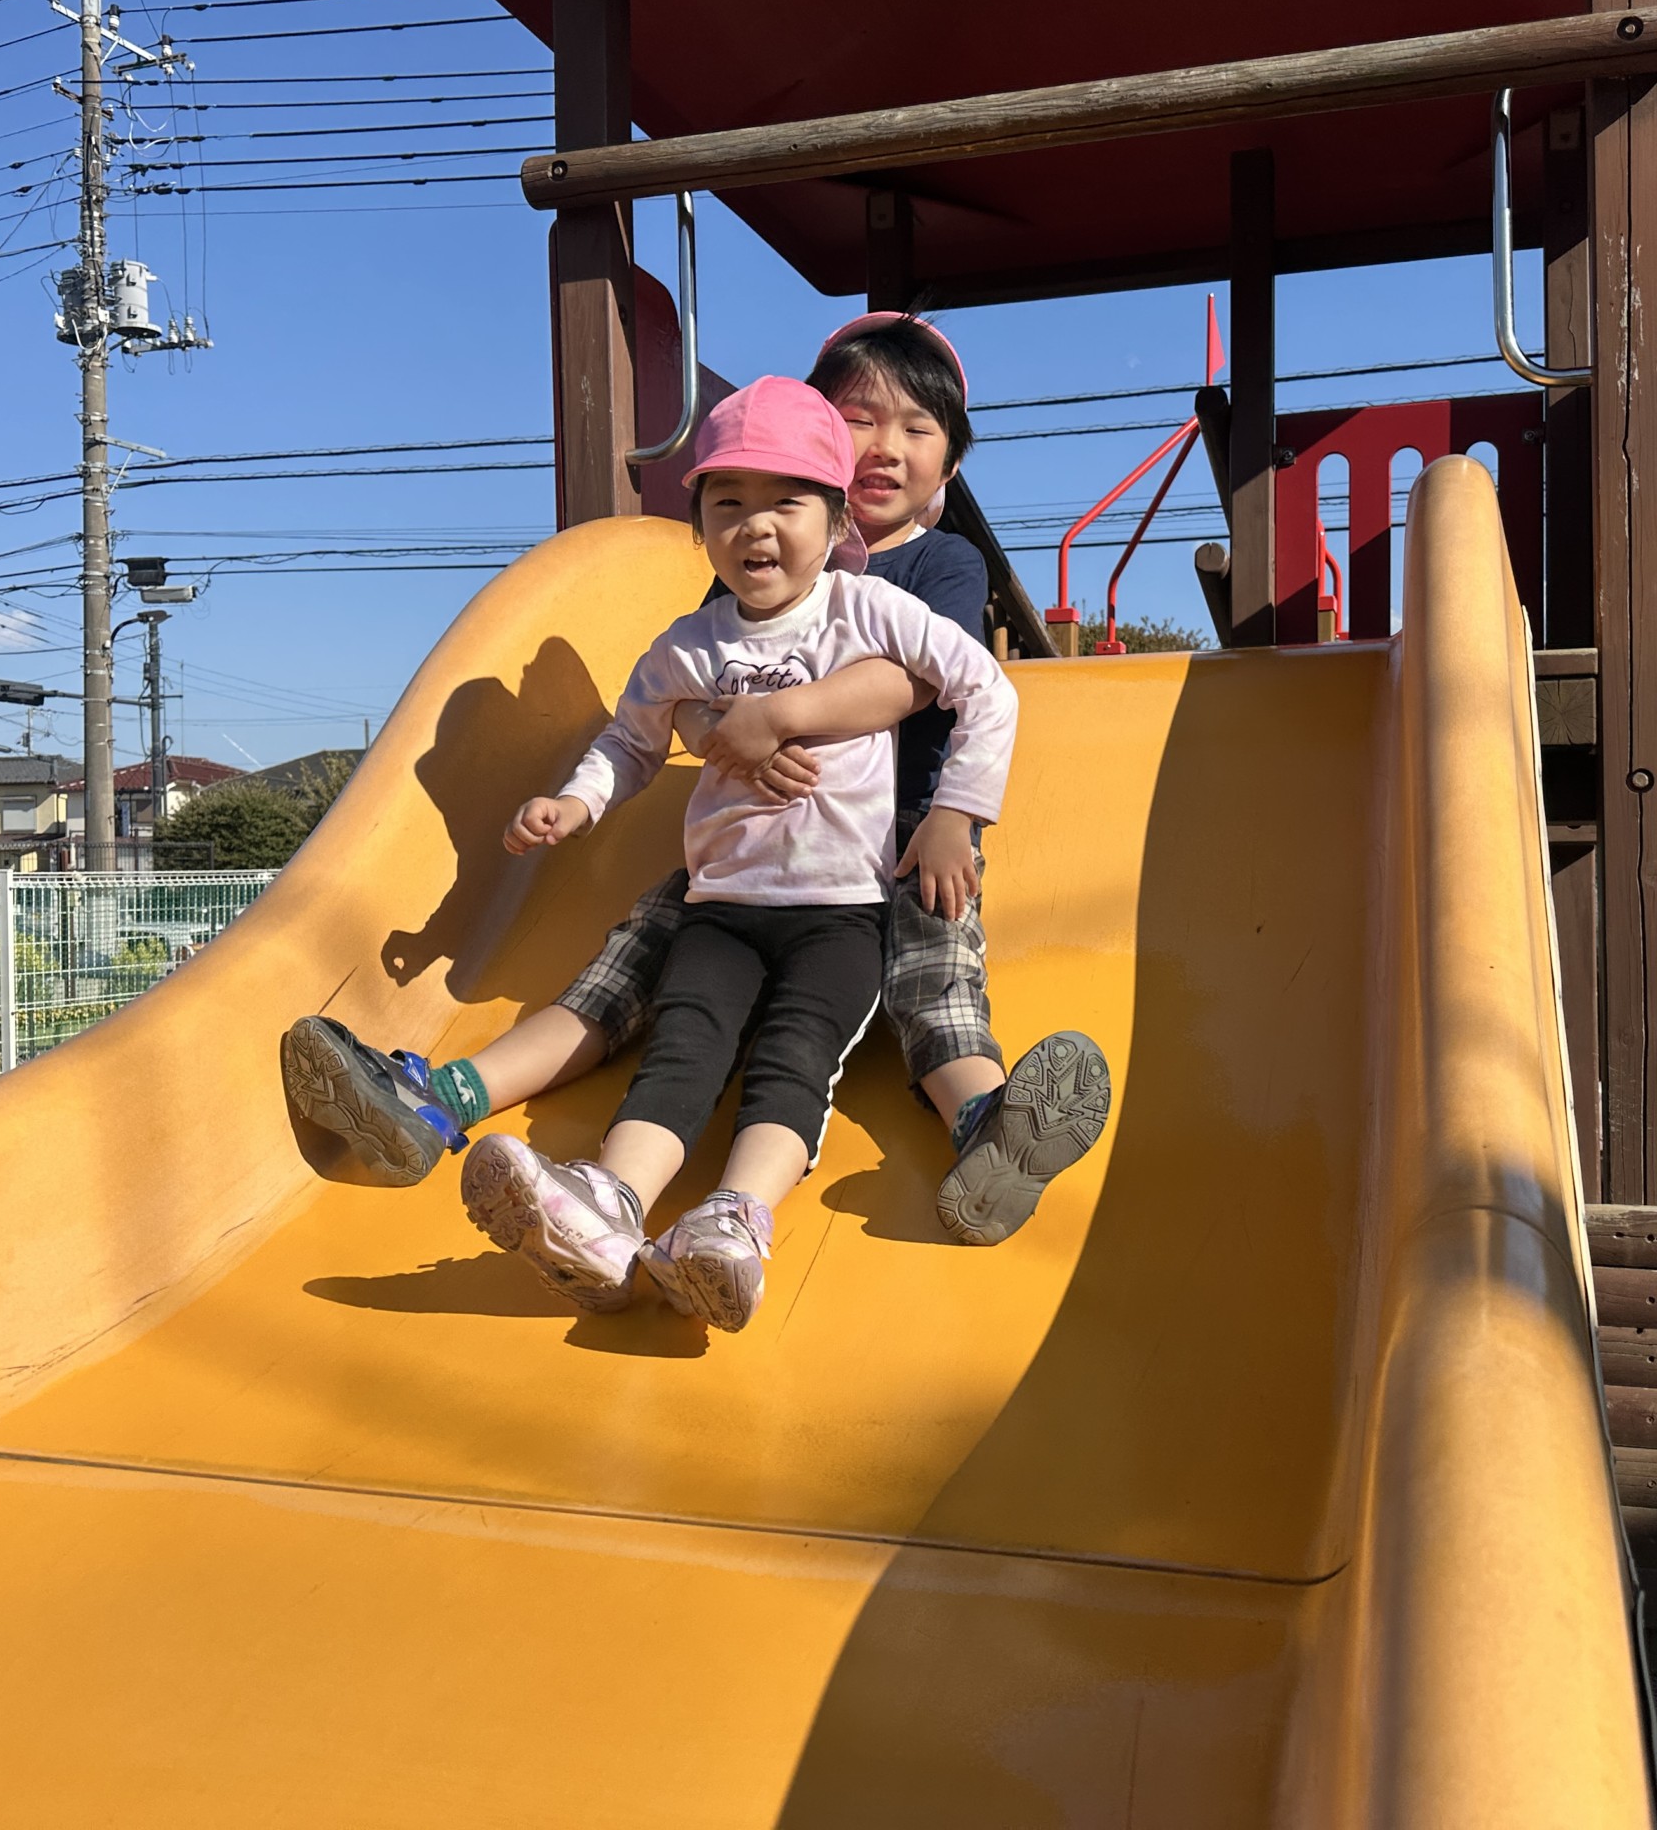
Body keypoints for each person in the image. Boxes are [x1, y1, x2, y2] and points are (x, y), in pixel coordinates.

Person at [282, 315, 1109, 1250]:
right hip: (742, 855)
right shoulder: (747, 568)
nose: (885, 446)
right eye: (858, 420)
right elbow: (687, 693)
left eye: (917, 428)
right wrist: (711, 733)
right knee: (632, 964)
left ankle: (990, 1126)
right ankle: (443, 1097)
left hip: (907, 831)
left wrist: (809, 737)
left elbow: (919, 683)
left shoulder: (932, 566)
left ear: (948, 464)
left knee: (934, 971)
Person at [463, 376, 1015, 1330]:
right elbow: (630, 740)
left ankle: (735, 1220)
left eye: (786, 502)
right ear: (702, 530)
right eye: (727, 505)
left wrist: (954, 811)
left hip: (841, 910)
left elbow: (985, 689)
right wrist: (574, 804)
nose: (756, 526)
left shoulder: (867, 610)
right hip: (722, 905)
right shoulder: (688, 645)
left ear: (837, 518)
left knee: (795, 1062)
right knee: (683, 1050)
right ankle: (609, 1207)